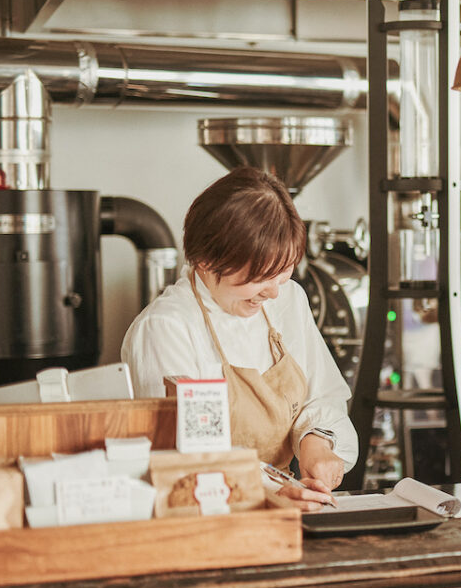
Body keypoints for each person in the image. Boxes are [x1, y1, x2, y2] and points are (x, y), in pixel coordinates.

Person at [122, 166, 358, 510]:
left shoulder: (288, 299)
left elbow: (322, 395)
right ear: (205, 260)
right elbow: (190, 458)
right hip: (207, 512)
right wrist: (271, 490)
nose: (273, 292)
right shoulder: (165, 329)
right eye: (260, 277)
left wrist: (316, 442)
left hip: (283, 509)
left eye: (284, 271)